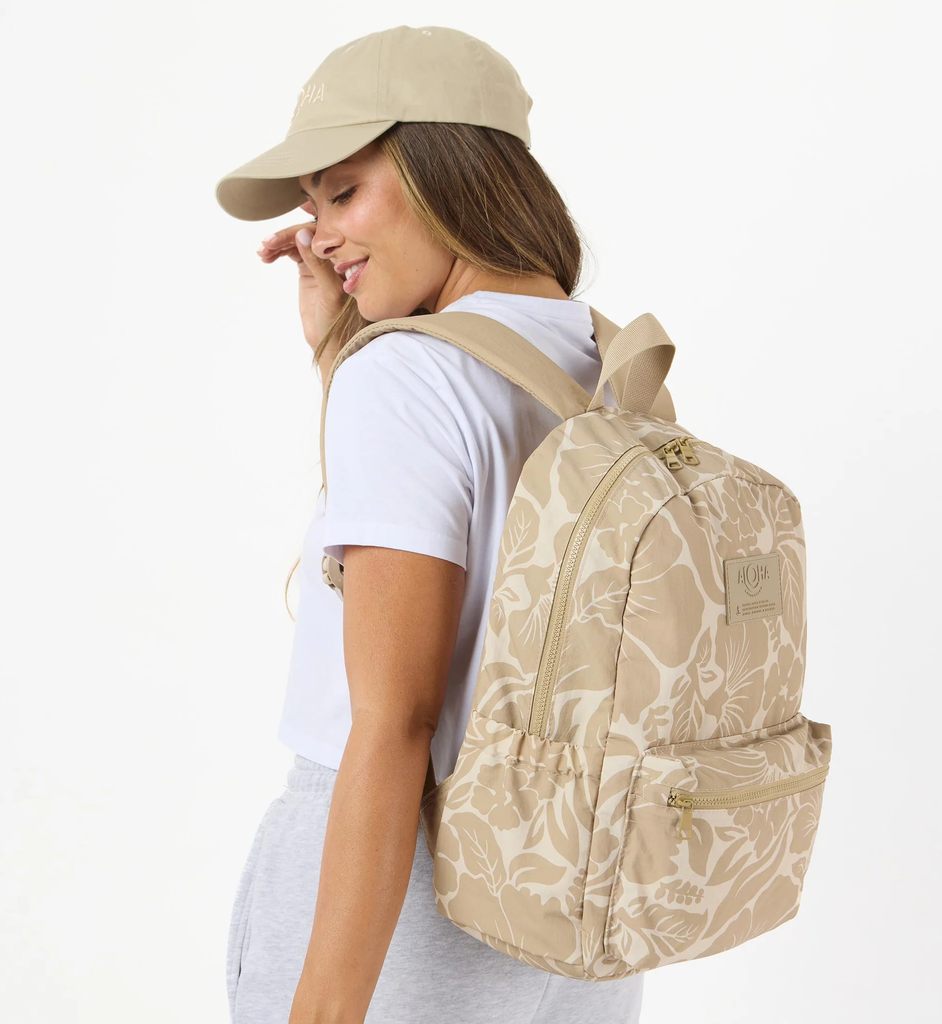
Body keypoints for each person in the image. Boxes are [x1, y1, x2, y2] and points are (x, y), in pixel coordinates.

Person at [214, 24, 646, 1024]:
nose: (320, 233)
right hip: (581, 890)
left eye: (343, 191)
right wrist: (342, 356)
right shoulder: (605, 360)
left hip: (402, 893)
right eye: (311, 205)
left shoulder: (407, 375)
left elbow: (399, 723)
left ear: (445, 171)